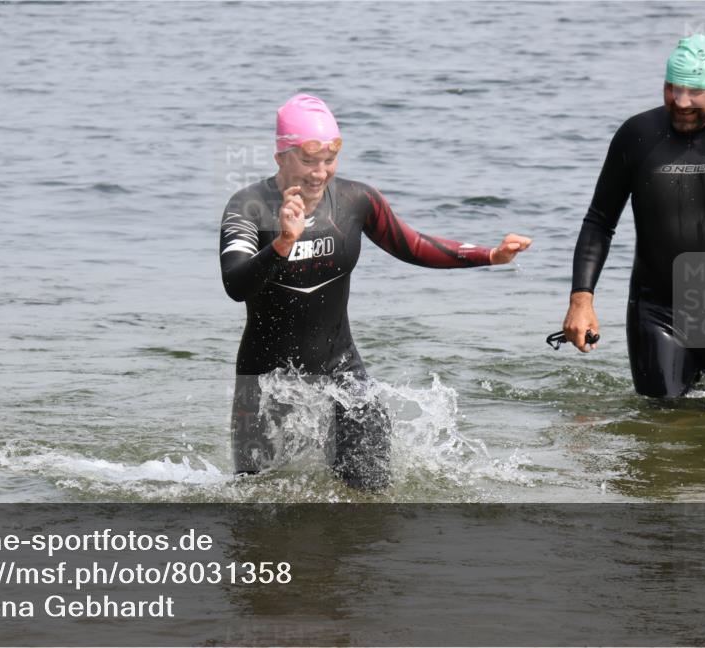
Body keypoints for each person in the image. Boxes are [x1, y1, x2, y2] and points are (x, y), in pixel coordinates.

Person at [219, 93, 532, 491]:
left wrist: (490, 254)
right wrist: (281, 243)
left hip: (341, 375)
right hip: (266, 383)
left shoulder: (355, 200)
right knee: (257, 513)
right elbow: (235, 282)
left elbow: (413, 245)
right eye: (308, 160)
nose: (319, 173)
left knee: (373, 497)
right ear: (281, 156)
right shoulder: (248, 207)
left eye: (329, 160)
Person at [561, 34, 705, 398]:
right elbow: (599, 221)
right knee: (662, 426)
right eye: (673, 89)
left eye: (695, 92)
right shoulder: (637, 134)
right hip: (658, 310)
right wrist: (581, 300)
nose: (682, 102)